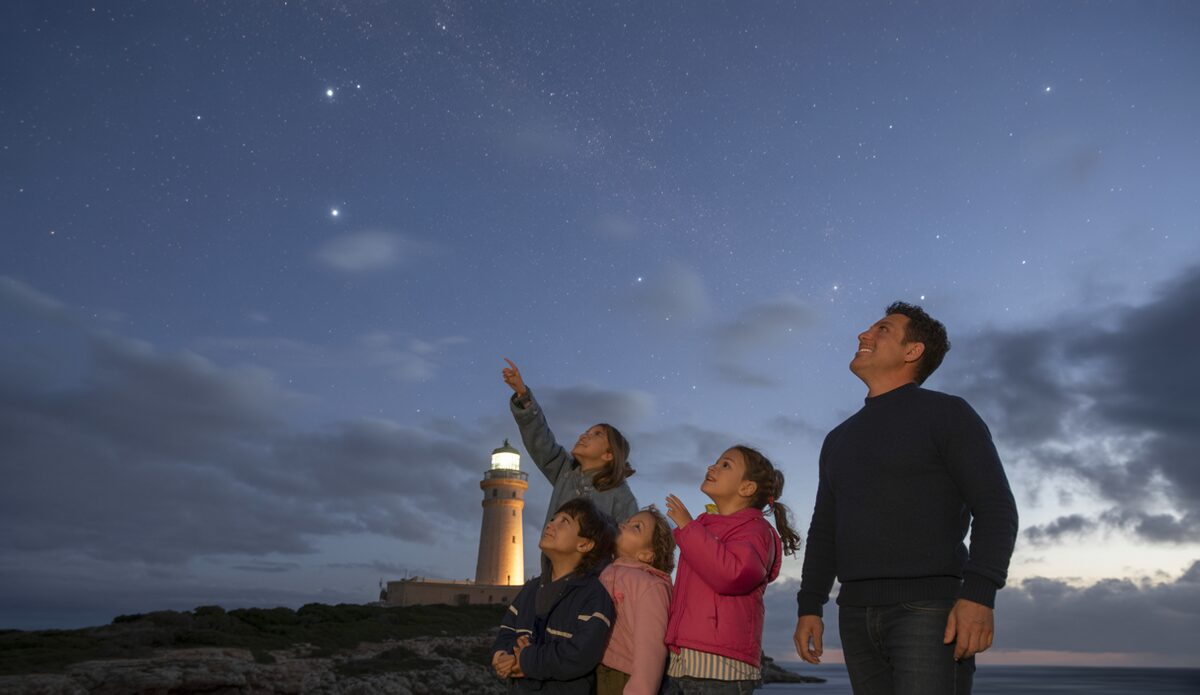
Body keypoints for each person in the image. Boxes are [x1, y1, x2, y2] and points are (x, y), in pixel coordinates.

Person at [793, 301, 1019, 695]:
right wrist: (810, 605)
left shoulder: (949, 414)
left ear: (913, 351)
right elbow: (825, 528)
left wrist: (979, 596)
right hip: (854, 613)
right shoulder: (837, 439)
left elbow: (996, 507)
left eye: (882, 329)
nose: (864, 334)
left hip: (930, 611)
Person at [662, 446, 802, 695]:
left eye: (725, 464)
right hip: (685, 661)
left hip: (721, 668)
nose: (712, 467)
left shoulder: (755, 530)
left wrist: (687, 526)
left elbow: (732, 575)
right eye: (716, 461)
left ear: (746, 488)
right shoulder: (703, 527)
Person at [492, 497, 618, 694]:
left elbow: (580, 655)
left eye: (564, 521)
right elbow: (507, 629)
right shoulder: (531, 589)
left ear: (585, 545)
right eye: (553, 519)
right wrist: (502, 657)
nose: (551, 524)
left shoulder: (594, 595)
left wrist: (526, 661)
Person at [503, 358, 639, 528]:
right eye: (586, 431)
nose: (584, 435)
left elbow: (631, 541)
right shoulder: (564, 472)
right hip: (553, 556)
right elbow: (540, 440)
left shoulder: (622, 496)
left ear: (609, 454)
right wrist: (523, 396)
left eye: (596, 434)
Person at [597, 506, 676, 695]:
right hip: (595, 672)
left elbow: (651, 649)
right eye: (627, 521)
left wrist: (640, 690)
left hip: (622, 678)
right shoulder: (603, 571)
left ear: (647, 555)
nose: (624, 525)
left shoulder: (650, 585)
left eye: (637, 527)